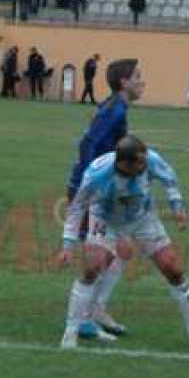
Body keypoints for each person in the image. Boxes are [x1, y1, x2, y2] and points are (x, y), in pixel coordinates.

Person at [59, 136, 189, 352]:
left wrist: (177, 206)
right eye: (139, 163)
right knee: (92, 268)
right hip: (105, 220)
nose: (145, 165)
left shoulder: (151, 159)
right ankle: (71, 332)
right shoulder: (97, 173)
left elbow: (169, 178)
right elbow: (77, 206)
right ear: (123, 164)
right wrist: (67, 244)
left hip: (143, 219)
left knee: (173, 269)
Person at [59, 59, 144, 341]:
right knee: (102, 254)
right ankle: (84, 318)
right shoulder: (115, 109)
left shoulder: (114, 105)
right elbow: (89, 144)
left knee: (121, 250)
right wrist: (87, 186)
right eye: (138, 77)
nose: (142, 81)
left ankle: (94, 310)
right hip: (91, 190)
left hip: (103, 190)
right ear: (124, 83)